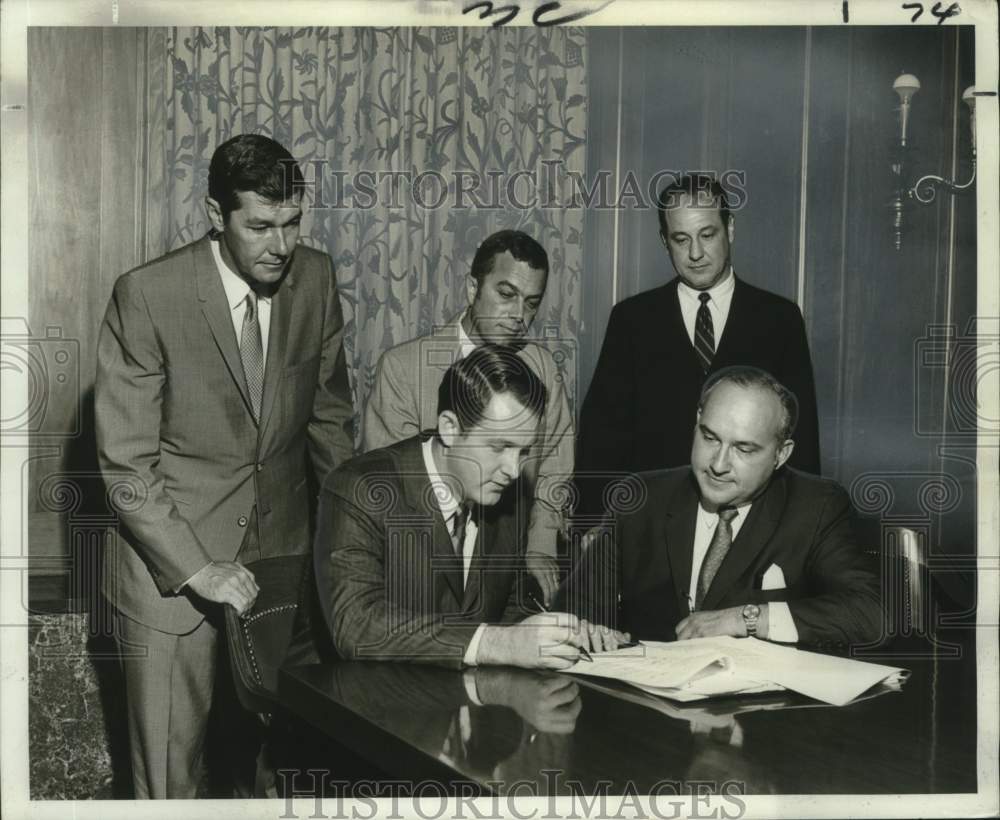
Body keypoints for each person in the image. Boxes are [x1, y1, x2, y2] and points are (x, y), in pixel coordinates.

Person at [95, 133, 355, 798]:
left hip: (281, 569)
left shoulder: (316, 279)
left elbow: (329, 423)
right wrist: (198, 568)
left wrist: (352, 542)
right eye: (260, 225)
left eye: (293, 223)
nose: (280, 244)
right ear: (217, 214)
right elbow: (126, 464)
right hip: (170, 580)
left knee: (271, 772)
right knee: (170, 782)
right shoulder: (147, 295)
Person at [317, 345, 623, 669]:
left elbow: (512, 612)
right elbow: (356, 626)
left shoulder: (511, 498)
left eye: (523, 451)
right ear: (450, 428)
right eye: (499, 446)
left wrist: (562, 634)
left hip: (463, 704)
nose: (513, 469)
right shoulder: (359, 489)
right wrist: (496, 643)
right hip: (370, 703)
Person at [571, 366, 881, 647]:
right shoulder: (640, 499)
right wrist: (589, 632)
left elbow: (872, 613)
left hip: (762, 706)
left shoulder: (816, 507)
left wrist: (746, 619)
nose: (718, 464)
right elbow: (573, 610)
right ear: (696, 424)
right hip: (647, 700)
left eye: (743, 449)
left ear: (781, 455)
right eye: (710, 438)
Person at [576, 174, 821, 517]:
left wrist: (802, 530)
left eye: (707, 235)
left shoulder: (779, 319)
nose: (695, 253)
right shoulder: (632, 320)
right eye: (680, 239)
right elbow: (600, 440)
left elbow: (802, 439)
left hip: (752, 524)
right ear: (664, 241)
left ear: (730, 228)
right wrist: (595, 527)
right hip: (650, 524)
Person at [363, 230, 573, 603]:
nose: (518, 316)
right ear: (471, 288)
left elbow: (556, 468)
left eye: (531, 303)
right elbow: (393, 491)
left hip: (507, 574)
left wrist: (540, 545)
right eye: (506, 294)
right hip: (418, 568)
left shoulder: (542, 370)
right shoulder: (404, 368)